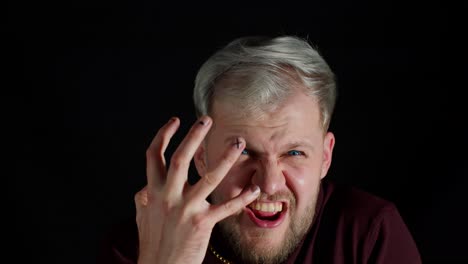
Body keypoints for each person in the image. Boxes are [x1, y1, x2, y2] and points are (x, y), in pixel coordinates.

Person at [97, 35, 421, 263]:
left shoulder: (369, 234)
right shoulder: (142, 244)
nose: (268, 184)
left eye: (294, 153)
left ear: (325, 156)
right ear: (201, 156)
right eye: (243, 151)